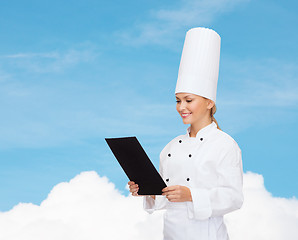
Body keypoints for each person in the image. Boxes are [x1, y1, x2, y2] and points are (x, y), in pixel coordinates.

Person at [128, 27, 243, 240]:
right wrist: (147, 191)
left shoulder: (224, 144)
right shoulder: (171, 147)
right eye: (178, 100)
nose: (182, 107)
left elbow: (234, 197)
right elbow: (165, 197)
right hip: (171, 233)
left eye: (189, 100)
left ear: (209, 102)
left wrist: (191, 195)